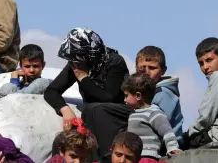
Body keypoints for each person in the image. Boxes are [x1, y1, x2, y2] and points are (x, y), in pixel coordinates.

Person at [44, 27, 133, 158]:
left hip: (117, 113)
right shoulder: (76, 64)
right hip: (92, 115)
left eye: (78, 58)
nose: (74, 62)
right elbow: (51, 91)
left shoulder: (114, 61)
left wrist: (84, 79)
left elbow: (109, 96)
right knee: (61, 140)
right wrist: (64, 109)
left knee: (96, 109)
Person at [122, 73, 180, 160]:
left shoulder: (154, 113)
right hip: (134, 156)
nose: (124, 100)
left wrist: (172, 147)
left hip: (147, 156)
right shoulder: (133, 115)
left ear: (138, 96)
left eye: (126, 96)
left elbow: (167, 131)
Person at [135, 46, 184, 147]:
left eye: (152, 68)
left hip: (167, 146)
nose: (146, 72)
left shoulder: (164, 94)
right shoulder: (136, 93)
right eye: (142, 68)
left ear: (163, 71)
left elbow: (160, 126)